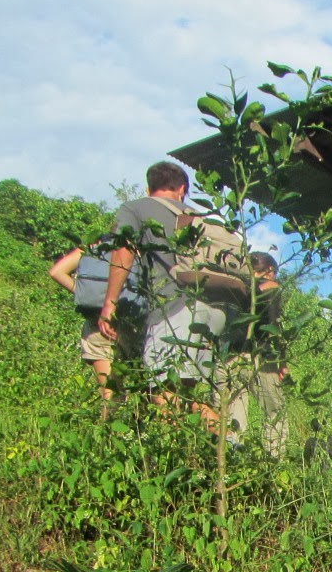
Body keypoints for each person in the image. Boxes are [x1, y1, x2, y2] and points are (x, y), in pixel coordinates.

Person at [100, 161, 221, 426]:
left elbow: (123, 251)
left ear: (148, 188)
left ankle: (177, 449)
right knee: (190, 395)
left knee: (165, 394)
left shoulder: (136, 208)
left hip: (174, 310)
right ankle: (230, 446)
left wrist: (110, 303)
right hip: (212, 311)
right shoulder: (201, 217)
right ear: (182, 189)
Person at [48, 238, 140, 405]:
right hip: (132, 323)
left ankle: (109, 422)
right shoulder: (138, 247)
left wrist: (84, 294)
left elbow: (56, 272)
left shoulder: (92, 246)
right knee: (148, 391)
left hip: (96, 323)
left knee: (110, 393)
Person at [220, 251, 288, 456]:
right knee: (275, 411)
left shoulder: (235, 287)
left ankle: (235, 459)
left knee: (234, 413)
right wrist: (283, 361)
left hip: (230, 356)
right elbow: (275, 326)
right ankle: (274, 459)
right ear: (270, 270)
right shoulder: (271, 287)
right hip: (259, 353)